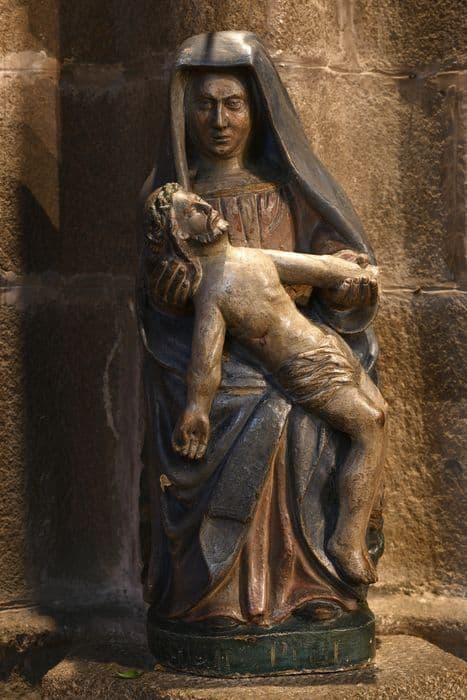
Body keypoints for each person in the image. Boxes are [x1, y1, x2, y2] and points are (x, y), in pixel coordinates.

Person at [138, 32, 384, 627]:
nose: (219, 120)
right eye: (204, 105)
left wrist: (345, 279)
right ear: (185, 112)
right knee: (245, 405)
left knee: (317, 421)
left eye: (233, 104)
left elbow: (326, 257)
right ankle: (214, 596)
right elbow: (168, 316)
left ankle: (316, 581)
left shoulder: (289, 188)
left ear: (258, 109)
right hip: (225, 364)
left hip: (299, 339)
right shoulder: (170, 204)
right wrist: (167, 296)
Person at [145, 183, 387, 586]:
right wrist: (197, 409)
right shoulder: (211, 291)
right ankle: (346, 540)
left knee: (380, 415)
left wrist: (353, 270)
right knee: (369, 426)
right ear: (180, 235)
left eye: (200, 202)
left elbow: (318, 269)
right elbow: (206, 362)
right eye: (191, 211)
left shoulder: (253, 257)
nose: (206, 208)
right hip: (302, 367)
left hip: (328, 345)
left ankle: (350, 533)